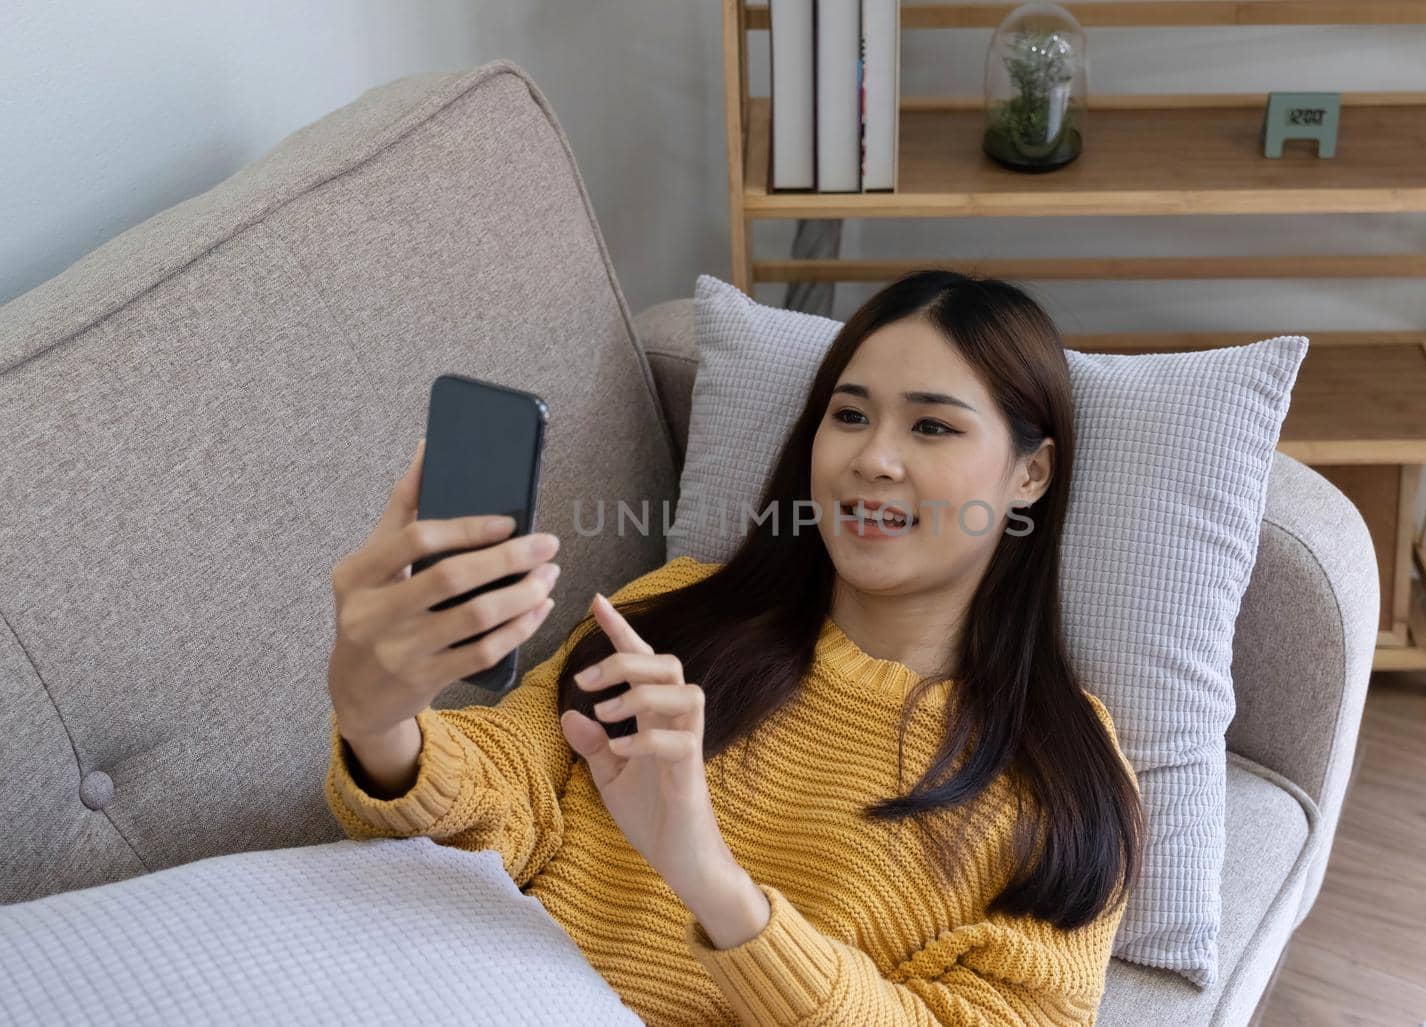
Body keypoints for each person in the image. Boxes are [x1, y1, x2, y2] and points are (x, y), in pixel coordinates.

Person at [323, 269, 1145, 1026]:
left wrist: (709, 877)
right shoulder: (674, 614)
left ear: (1031, 474)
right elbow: (507, 794)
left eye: (931, 425)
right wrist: (380, 725)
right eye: (849, 414)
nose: (872, 459)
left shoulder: (1055, 774)